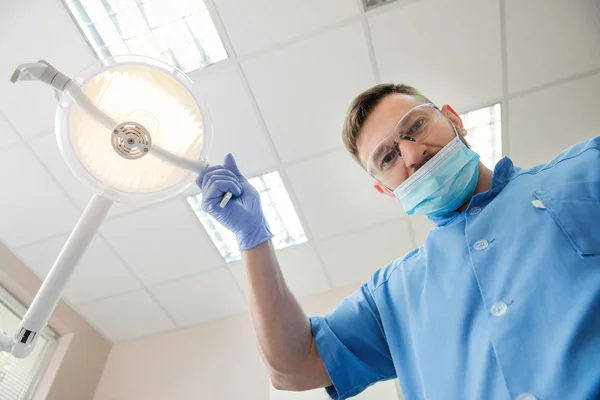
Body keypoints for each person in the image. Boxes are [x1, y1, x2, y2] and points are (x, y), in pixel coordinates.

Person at [197, 84, 600, 400]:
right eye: (387, 158)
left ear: (454, 119)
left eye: (416, 127)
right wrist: (252, 239)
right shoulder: (393, 296)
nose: (411, 154)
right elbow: (291, 365)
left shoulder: (586, 170)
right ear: (386, 191)